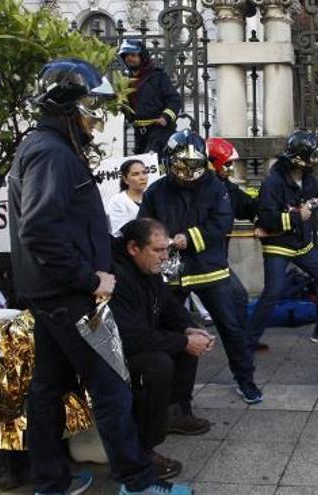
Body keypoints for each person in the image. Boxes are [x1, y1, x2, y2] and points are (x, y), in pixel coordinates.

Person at [8, 58, 190, 494]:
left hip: (51, 292)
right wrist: (91, 280)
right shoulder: (52, 153)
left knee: (48, 389)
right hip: (69, 294)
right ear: (67, 106)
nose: (97, 116)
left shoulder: (45, 148)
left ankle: (50, 482)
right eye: (91, 105)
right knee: (111, 387)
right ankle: (138, 482)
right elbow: (40, 230)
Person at [139, 130, 262, 405]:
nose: (187, 172)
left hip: (210, 269)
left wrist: (190, 238)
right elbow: (144, 224)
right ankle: (167, 391)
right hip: (171, 272)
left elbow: (221, 224)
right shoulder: (156, 190)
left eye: (193, 165)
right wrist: (156, 240)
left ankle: (246, 380)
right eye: (181, 165)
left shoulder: (216, 187)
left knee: (230, 327)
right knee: (166, 329)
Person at [111, 219, 215, 480]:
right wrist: (182, 340)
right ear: (134, 248)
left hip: (139, 340)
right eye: (157, 250)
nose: (165, 256)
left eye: (166, 249)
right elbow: (130, 337)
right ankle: (143, 451)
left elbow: (168, 305)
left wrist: (189, 329)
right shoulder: (118, 277)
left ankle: (176, 412)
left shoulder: (149, 270)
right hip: (113, 355)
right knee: (158, 364)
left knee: (185, 343)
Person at [250, 130, 318, 344]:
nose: (315, 160)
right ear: (300, 158)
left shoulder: (307, 178)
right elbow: (266, 219)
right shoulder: (273, 182)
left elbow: (313, 200)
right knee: (272, 293)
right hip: (278, 245)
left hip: (302, 244)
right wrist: (296, 217)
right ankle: (249, 340)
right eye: (312, 155)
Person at [206, 137, 258, 343]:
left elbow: (245, 205)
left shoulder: (225, 186)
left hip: (216, 256)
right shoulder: (206, 189)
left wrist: (270, 204)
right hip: (201, 258)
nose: (230, 168)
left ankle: (242, 341)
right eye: (227, 163)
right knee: (236, 297)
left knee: (236, 297)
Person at [119, 40, 181, 155]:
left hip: (159, 131)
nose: (129, 58)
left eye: (133, 55)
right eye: (126, 56)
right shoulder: (126, 82)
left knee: (150, 163)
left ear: (142, 56)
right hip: (139, 133)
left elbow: (174, 101)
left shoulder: (158, 77)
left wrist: (165, 118)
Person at [106, 158, 150, 235]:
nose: (142, 177)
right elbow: (126, 230)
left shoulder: (152, 197)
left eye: (144, 172)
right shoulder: (118, 200)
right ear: (125, 179)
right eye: (135, 174)